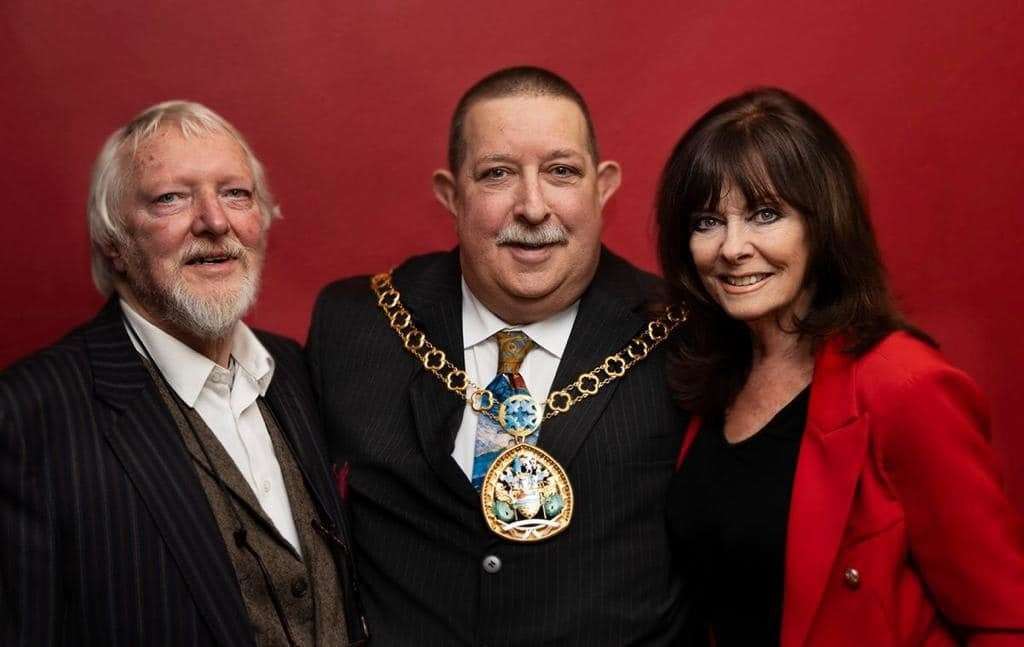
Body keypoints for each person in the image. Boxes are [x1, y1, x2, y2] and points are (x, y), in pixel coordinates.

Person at [307, 66, 694, 645]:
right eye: (497, 175)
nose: (533, 208)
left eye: (561, 172)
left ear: (603, 185)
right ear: (451, 194)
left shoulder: (684, 334)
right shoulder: (357, 322)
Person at [657, 87, 1024, 646]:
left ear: (822, 224)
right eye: (708, 221)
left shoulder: (906, 385)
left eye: (764, 214)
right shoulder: (706, 376)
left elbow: (1003, 620)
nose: (732, 247)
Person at [0, 101, 368, 646]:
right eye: (170, 198)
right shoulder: (24, 417)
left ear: (261, 220)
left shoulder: (295, 368)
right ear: (113, 240)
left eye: (235, 194)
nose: (215, 222)